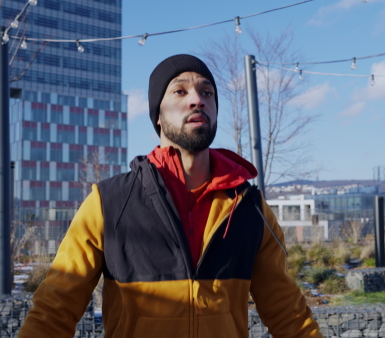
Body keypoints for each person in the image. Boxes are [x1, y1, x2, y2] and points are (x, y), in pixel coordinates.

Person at [19, 54, 322, 338]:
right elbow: (55, 308)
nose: (197, 100)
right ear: (158, 117)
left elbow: (287, 312)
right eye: (180, 91)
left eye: (207, 93)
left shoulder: (249, 208)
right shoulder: (108, 202)